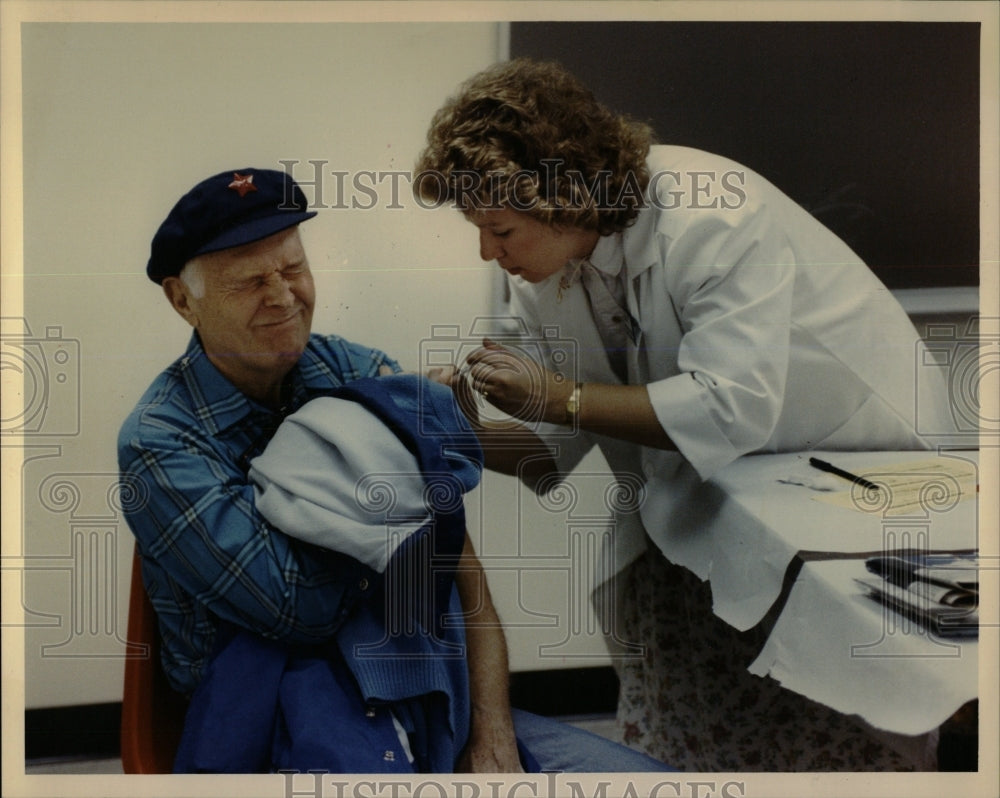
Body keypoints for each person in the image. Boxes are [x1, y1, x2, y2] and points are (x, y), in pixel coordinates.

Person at [414, 59, 958, 771]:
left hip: (861, 473)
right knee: (681, 687)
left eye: (500, 229)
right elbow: (546, 455)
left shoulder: (712, 213)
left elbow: (729, 408)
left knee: (844, 714)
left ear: (565, 196)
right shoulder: (547, 276)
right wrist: (461, 429)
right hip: (719, 488)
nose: (489, 251)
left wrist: (559, 395)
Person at [118, 167, 672, 774]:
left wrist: (492, 732)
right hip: (262, 719)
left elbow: (461, 573)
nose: (281, 296)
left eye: (294, 268)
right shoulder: (161, 442)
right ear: (181, 299)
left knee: (648, 782)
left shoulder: (351, 368)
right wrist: (399, 467)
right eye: (248, 281)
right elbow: (296, 610)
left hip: (419, 686)